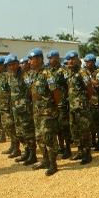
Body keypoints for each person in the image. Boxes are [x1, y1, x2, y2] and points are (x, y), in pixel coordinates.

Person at [27, 48, 64, 176]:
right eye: (30, 59)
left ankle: (53, 164)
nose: (30, 62)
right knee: (39, 137)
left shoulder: (48, 74)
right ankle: (45, 160)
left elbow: (56, 93)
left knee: (49, 138)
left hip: (48, 112)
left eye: (32, 59)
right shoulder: (33, 74)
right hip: (37, 112)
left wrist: (54, 107)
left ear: (39, 59)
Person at [5, 54, 38, 166]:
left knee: (28, 133)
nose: (12, 67)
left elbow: (32, 91)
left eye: (13, 64)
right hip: (15, 110)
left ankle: (33, 155)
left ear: (17, 63)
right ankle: (26, 152)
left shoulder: (26, 75)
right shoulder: (10, 76)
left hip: (25, 110)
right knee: (20, 133)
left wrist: (29, 105)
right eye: (9, 65)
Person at [64, 50, 94, 165]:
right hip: (72, 107)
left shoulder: (83, 72)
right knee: (75, 130)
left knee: (84, 130)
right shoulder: (70, 73)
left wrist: (85, 100)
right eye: (69, 60)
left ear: (77, 60)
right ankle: (80, 151)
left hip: (81, 108)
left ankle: (87, 154)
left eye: (73, 59)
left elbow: (90, 88)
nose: (70, 61)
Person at [47, 50, 72, 158]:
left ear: (57, 58)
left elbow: (69, 84)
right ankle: (61, 147)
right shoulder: (48, 71)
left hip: (62, 103)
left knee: (64, 127)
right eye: (49, 58)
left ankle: (68, 149)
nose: (50, 60)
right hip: (52, 104)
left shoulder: (64, 71)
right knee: (56, 128)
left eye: (52, 58)